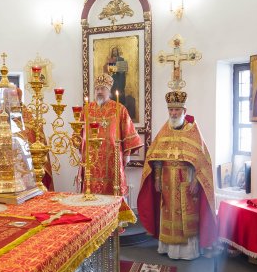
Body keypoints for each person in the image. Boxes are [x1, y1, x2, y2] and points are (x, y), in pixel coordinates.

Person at [137, 91, 217, 260]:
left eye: (177, 110)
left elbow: (202, 160)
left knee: (185, 215)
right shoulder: (165, 130)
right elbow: (156, 157)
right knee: (168, 212)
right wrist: (157, 178)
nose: (173, 113)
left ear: (184, 111)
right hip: (167, 180)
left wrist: (196, 180)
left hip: (186, 179)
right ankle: (168, 249)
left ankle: (188, 252)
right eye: (171, 110)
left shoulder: (193, 130)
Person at [79, 72, 143, 197]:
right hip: (90, 157)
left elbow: (128, 132)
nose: (99, 91)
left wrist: (127, 154)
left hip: (113, 157)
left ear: (109, 91)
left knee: (114, 191)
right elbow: (79, 132)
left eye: (102, 89)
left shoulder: (119, 109)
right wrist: (79, 148)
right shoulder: (86, 109)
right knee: (90, 191)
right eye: (97, 89)